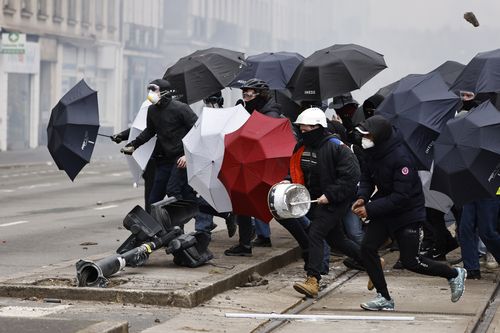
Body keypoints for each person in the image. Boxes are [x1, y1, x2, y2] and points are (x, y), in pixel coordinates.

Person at [352, 115, 467, 311]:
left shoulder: (401, 158)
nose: (364, 138)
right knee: (367, 248)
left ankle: (454, 274)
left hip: (407, 213)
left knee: (411, 261)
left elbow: (401, 197)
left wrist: (369, 209)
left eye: (367, 135)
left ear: (379, 136)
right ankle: (384, 297)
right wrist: (362, 196)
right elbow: (366, 178)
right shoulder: (371, 152)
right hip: (384, 208)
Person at [289, 107, 364, 298]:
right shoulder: (301, 147)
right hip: (314, 201)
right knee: (337, 239)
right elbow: (297, 171)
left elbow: (351, 176)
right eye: (301, 130)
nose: (302, 134)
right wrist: (288, 183)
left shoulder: (337, 147)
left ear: (318, 128)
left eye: (306, 130)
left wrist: (330, 195)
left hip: (334, 201)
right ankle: (371, 260)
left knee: (315, 232)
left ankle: (313, 278)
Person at [224, 78, 283, 256]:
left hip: (264, 167)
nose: (246, 97)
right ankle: (245, 244)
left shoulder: (269, 114)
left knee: (280, 210)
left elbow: (262, 140)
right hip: (252, 164)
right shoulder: (253, 111)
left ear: (260, 95)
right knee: (244, 203)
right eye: (244, 94)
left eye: (249, 94)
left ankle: (310, 239)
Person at [121, 79, 197, 205]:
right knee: (154, 199)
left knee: (173, 191)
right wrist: (133, 145)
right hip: (163, 160)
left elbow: (196, 131)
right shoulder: (152, 110)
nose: (150, 93)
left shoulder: (181, 109)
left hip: (180, 159)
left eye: (154, 90)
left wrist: (187, 155)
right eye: (149, 90)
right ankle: (155, 224)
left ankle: (175, 224)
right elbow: (149, 131)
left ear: (164, 92)